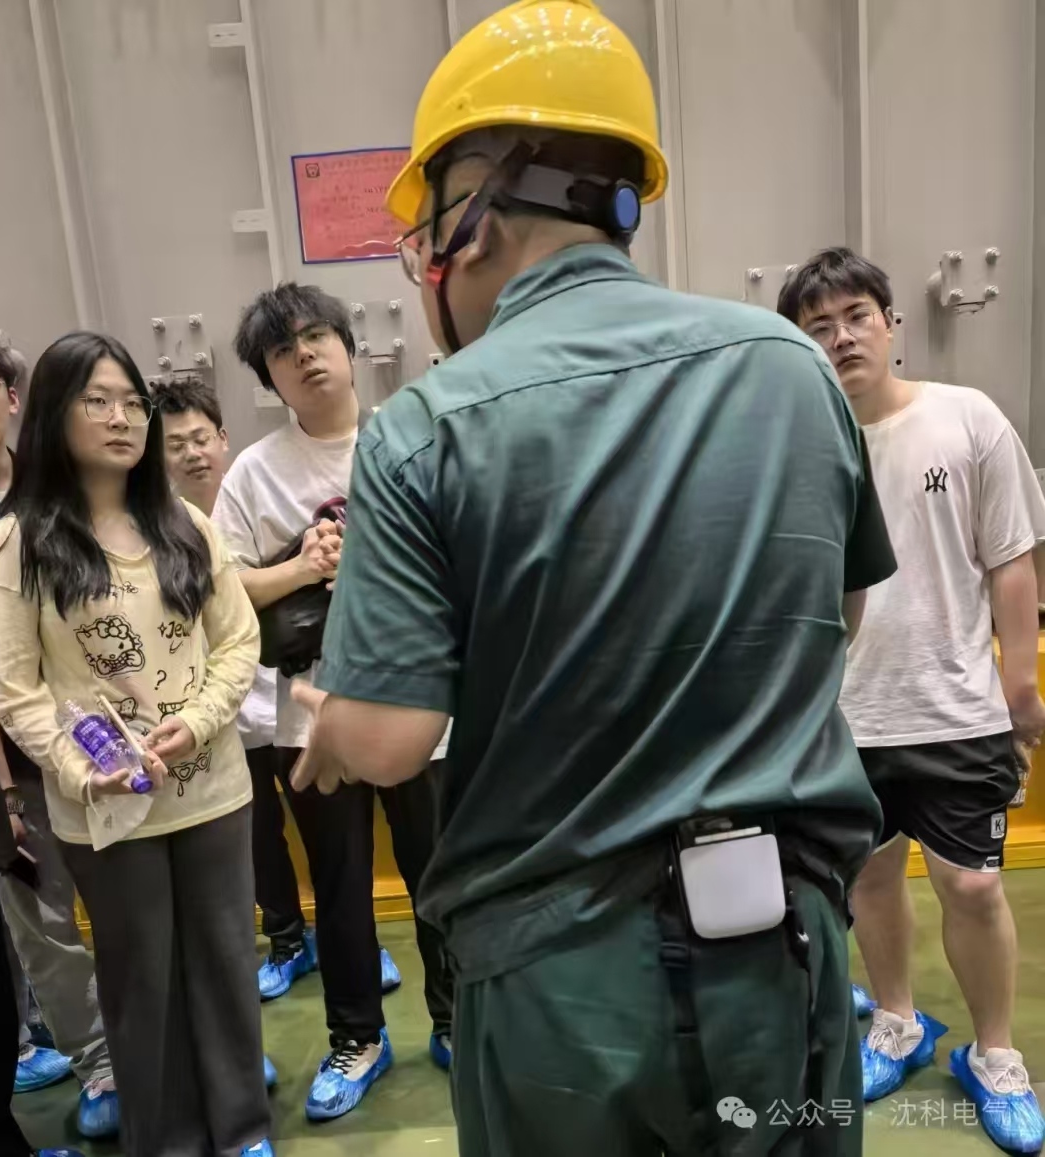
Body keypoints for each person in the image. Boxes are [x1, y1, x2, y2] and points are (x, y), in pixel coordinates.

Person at [288, 3, 897, 1154]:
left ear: (471, 214)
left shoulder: (427, 425)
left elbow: (390, 741)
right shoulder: (788, 367)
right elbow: (839, 611)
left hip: (561, 983)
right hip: (783, 951)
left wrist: (329, 717)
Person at [0, 332, 273, 1157]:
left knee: (226, 966)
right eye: (97, 401)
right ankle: (168, 1140)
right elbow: (14, 686)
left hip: (212, 790)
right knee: (143, 985)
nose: (122, 419)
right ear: (52, 413)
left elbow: (237, 640)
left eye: (133, 402)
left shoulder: (185, 523)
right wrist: (82, 768)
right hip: (108, 811)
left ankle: (243, 1131)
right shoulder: (18, 541)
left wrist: (199, 720)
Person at [779, 248, 1045, 1154]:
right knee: (869, 876)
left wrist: (1021, 685)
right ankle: (896, 1018)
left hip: (958, 707)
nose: (842, 337)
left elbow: (1011, 558)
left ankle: (995, 1052)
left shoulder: (966, 418)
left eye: (856, 315)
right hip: (847, 715)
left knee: (972, 883)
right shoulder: (805, 445)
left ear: (891, 322)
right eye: (818, 327)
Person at [213, 283, 454, 1121]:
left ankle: (456, 1018)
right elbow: (223, 591)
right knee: (342, 887)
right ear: (269, 377)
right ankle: (358, 1036)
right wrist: (303, 565)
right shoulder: (253, 471)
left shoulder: (412, 437)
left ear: (351, 348)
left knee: (437, 874)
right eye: (283, 350)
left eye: (317, 336)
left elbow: (464, 558)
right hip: (309, 712)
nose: (305, 355)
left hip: (420, 701)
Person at [0, 327, 118, 1139]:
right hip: (13, 768)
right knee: (44, 928)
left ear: (13, 395)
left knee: (138, 913)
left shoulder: (71, 486)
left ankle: (173, 1049)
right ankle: (100, 1065)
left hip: (117, 751)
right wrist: (2, 791)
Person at [153, 375, 317, 1008]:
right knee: (257, 836)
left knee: (326, 829)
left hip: (289, 691)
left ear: (223, 438)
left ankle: (341, 937)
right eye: (175, 445)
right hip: (223, 711)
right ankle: (287, 941)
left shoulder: (257, 493)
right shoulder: (161, 528)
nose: (192, 453)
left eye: (201, 438)